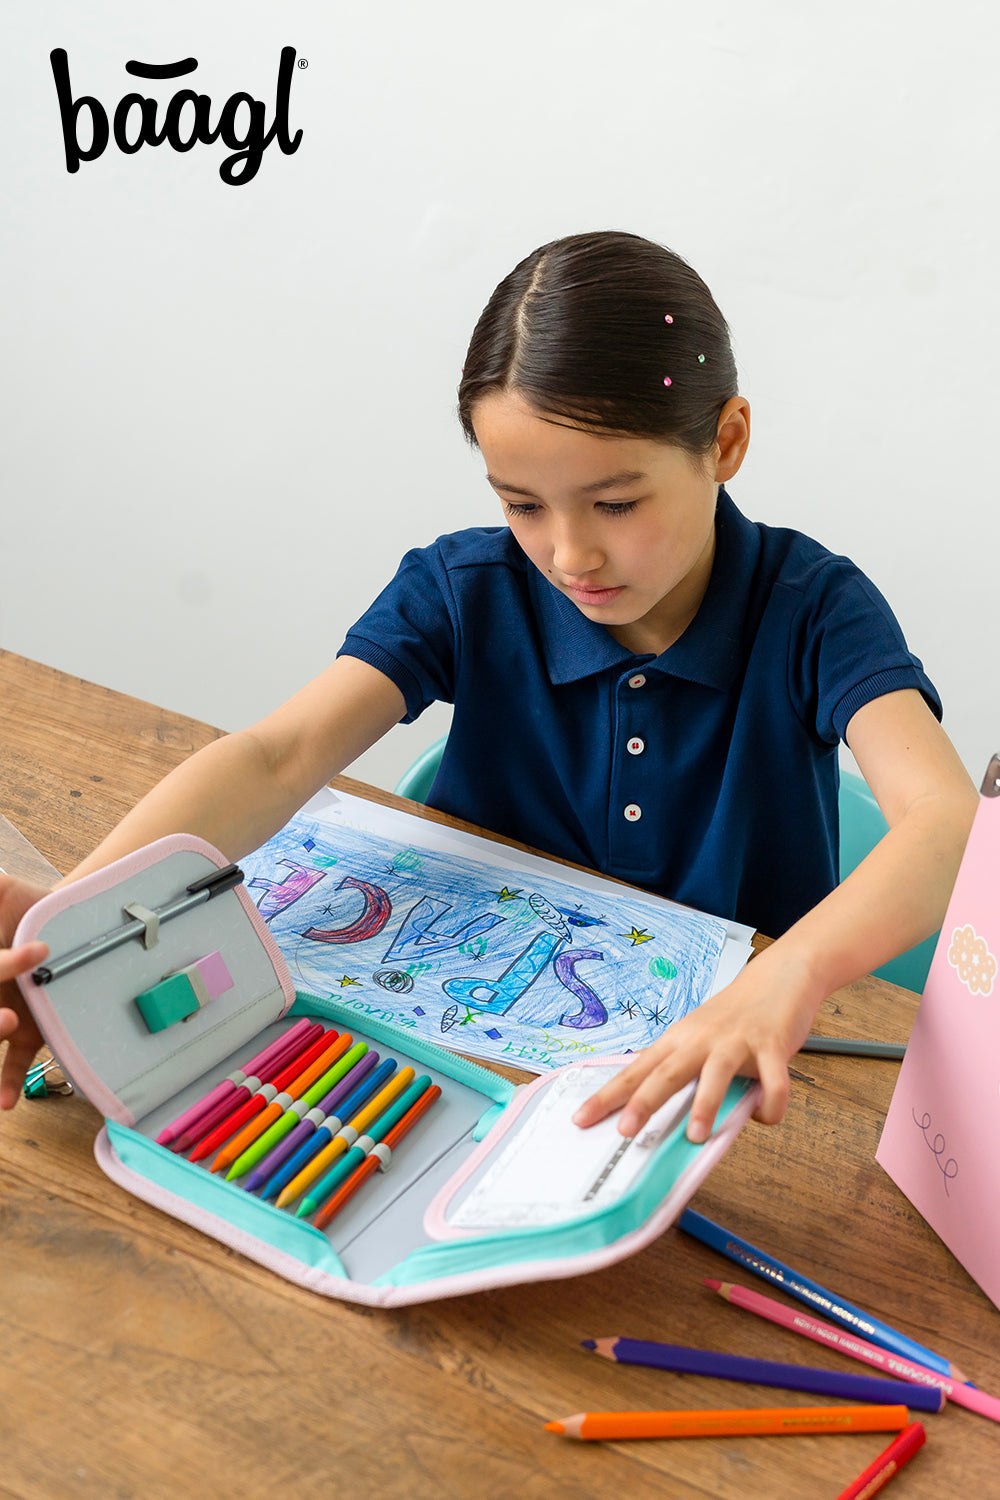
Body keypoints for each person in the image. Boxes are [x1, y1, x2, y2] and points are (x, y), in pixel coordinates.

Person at [0, 230, 977, 1146]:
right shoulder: (464, 588)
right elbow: (276, 756)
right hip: (441, 1064)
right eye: (520, 503)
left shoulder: (814, 609)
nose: (569, 551)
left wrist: (793, 974)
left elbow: (945, 826)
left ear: (723, 443)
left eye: (617, 502)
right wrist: (73, 924)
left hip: (708, 1083)